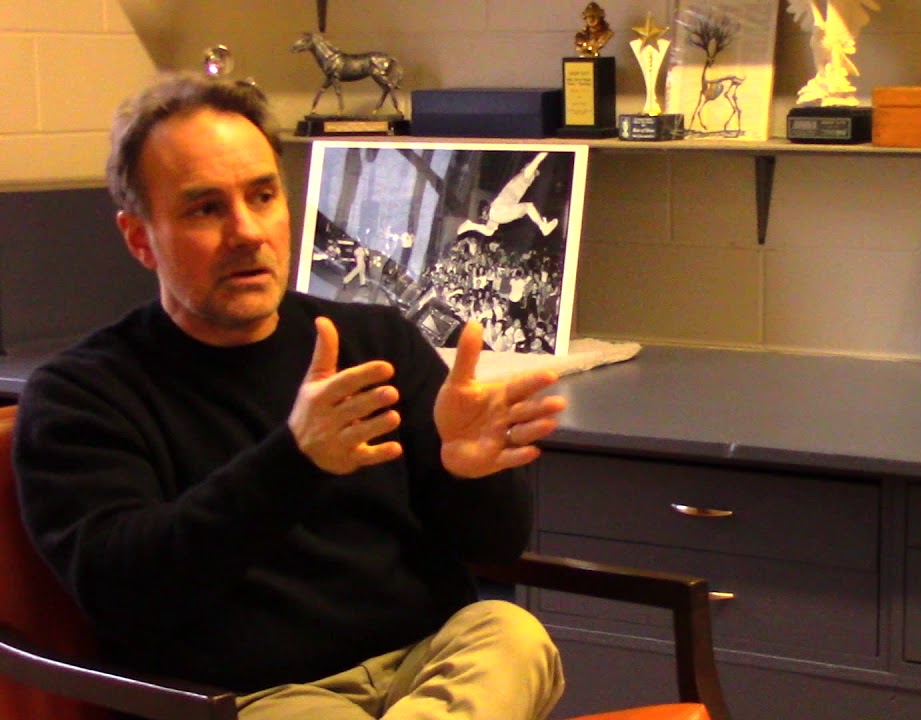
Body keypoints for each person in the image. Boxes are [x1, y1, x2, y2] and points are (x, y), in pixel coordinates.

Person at [13, 72, 567, 720]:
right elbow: (126, 593)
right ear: (140, 238)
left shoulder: (375, 340)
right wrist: (295, 459)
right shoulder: (83, 396)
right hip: (250, 699)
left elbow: (494, 548)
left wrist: (467, 473)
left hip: (422, 665)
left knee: (511, 633)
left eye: (262, 195)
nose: (247, 231)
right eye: (205, 208)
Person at [457, 151, 560, 238]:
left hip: (496, 210)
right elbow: (538, 159)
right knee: (528, 207)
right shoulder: (525, 175)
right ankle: (543, 226)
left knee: (490, 231)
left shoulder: (519, 180)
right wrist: (549, 148)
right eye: (535, 173)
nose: (534, 175)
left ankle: (471, 225)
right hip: (498, 211)